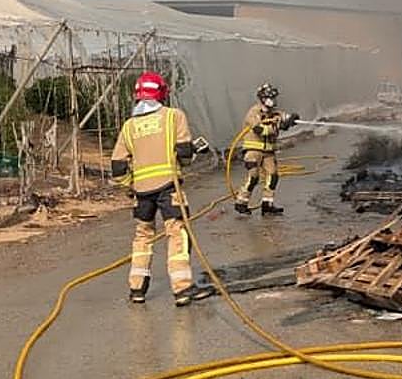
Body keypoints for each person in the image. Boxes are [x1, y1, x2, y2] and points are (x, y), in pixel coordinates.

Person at [111, 71, 210, 306]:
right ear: (162, 93)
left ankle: (137, 289)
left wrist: (131, 186)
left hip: (141, 192)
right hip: (169, 187)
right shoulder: (173, 116)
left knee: (142, 237)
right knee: (177, 233)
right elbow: (184, 153)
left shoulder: (129, 126)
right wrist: (190, 156)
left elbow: (117, 166)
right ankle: (183, 289)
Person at [234, 82, 298, 216]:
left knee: (273, 176)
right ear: (262, 98)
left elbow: (284, 119)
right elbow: (260, 129)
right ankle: (241, 202)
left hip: (268, 152)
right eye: (270, 97)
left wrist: (291, 119)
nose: (273, 100)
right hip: (253, 151)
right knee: (254, 177)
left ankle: (267, 204)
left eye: (274, 97)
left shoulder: (275, 113)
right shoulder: (254, 112)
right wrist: (278, 126)